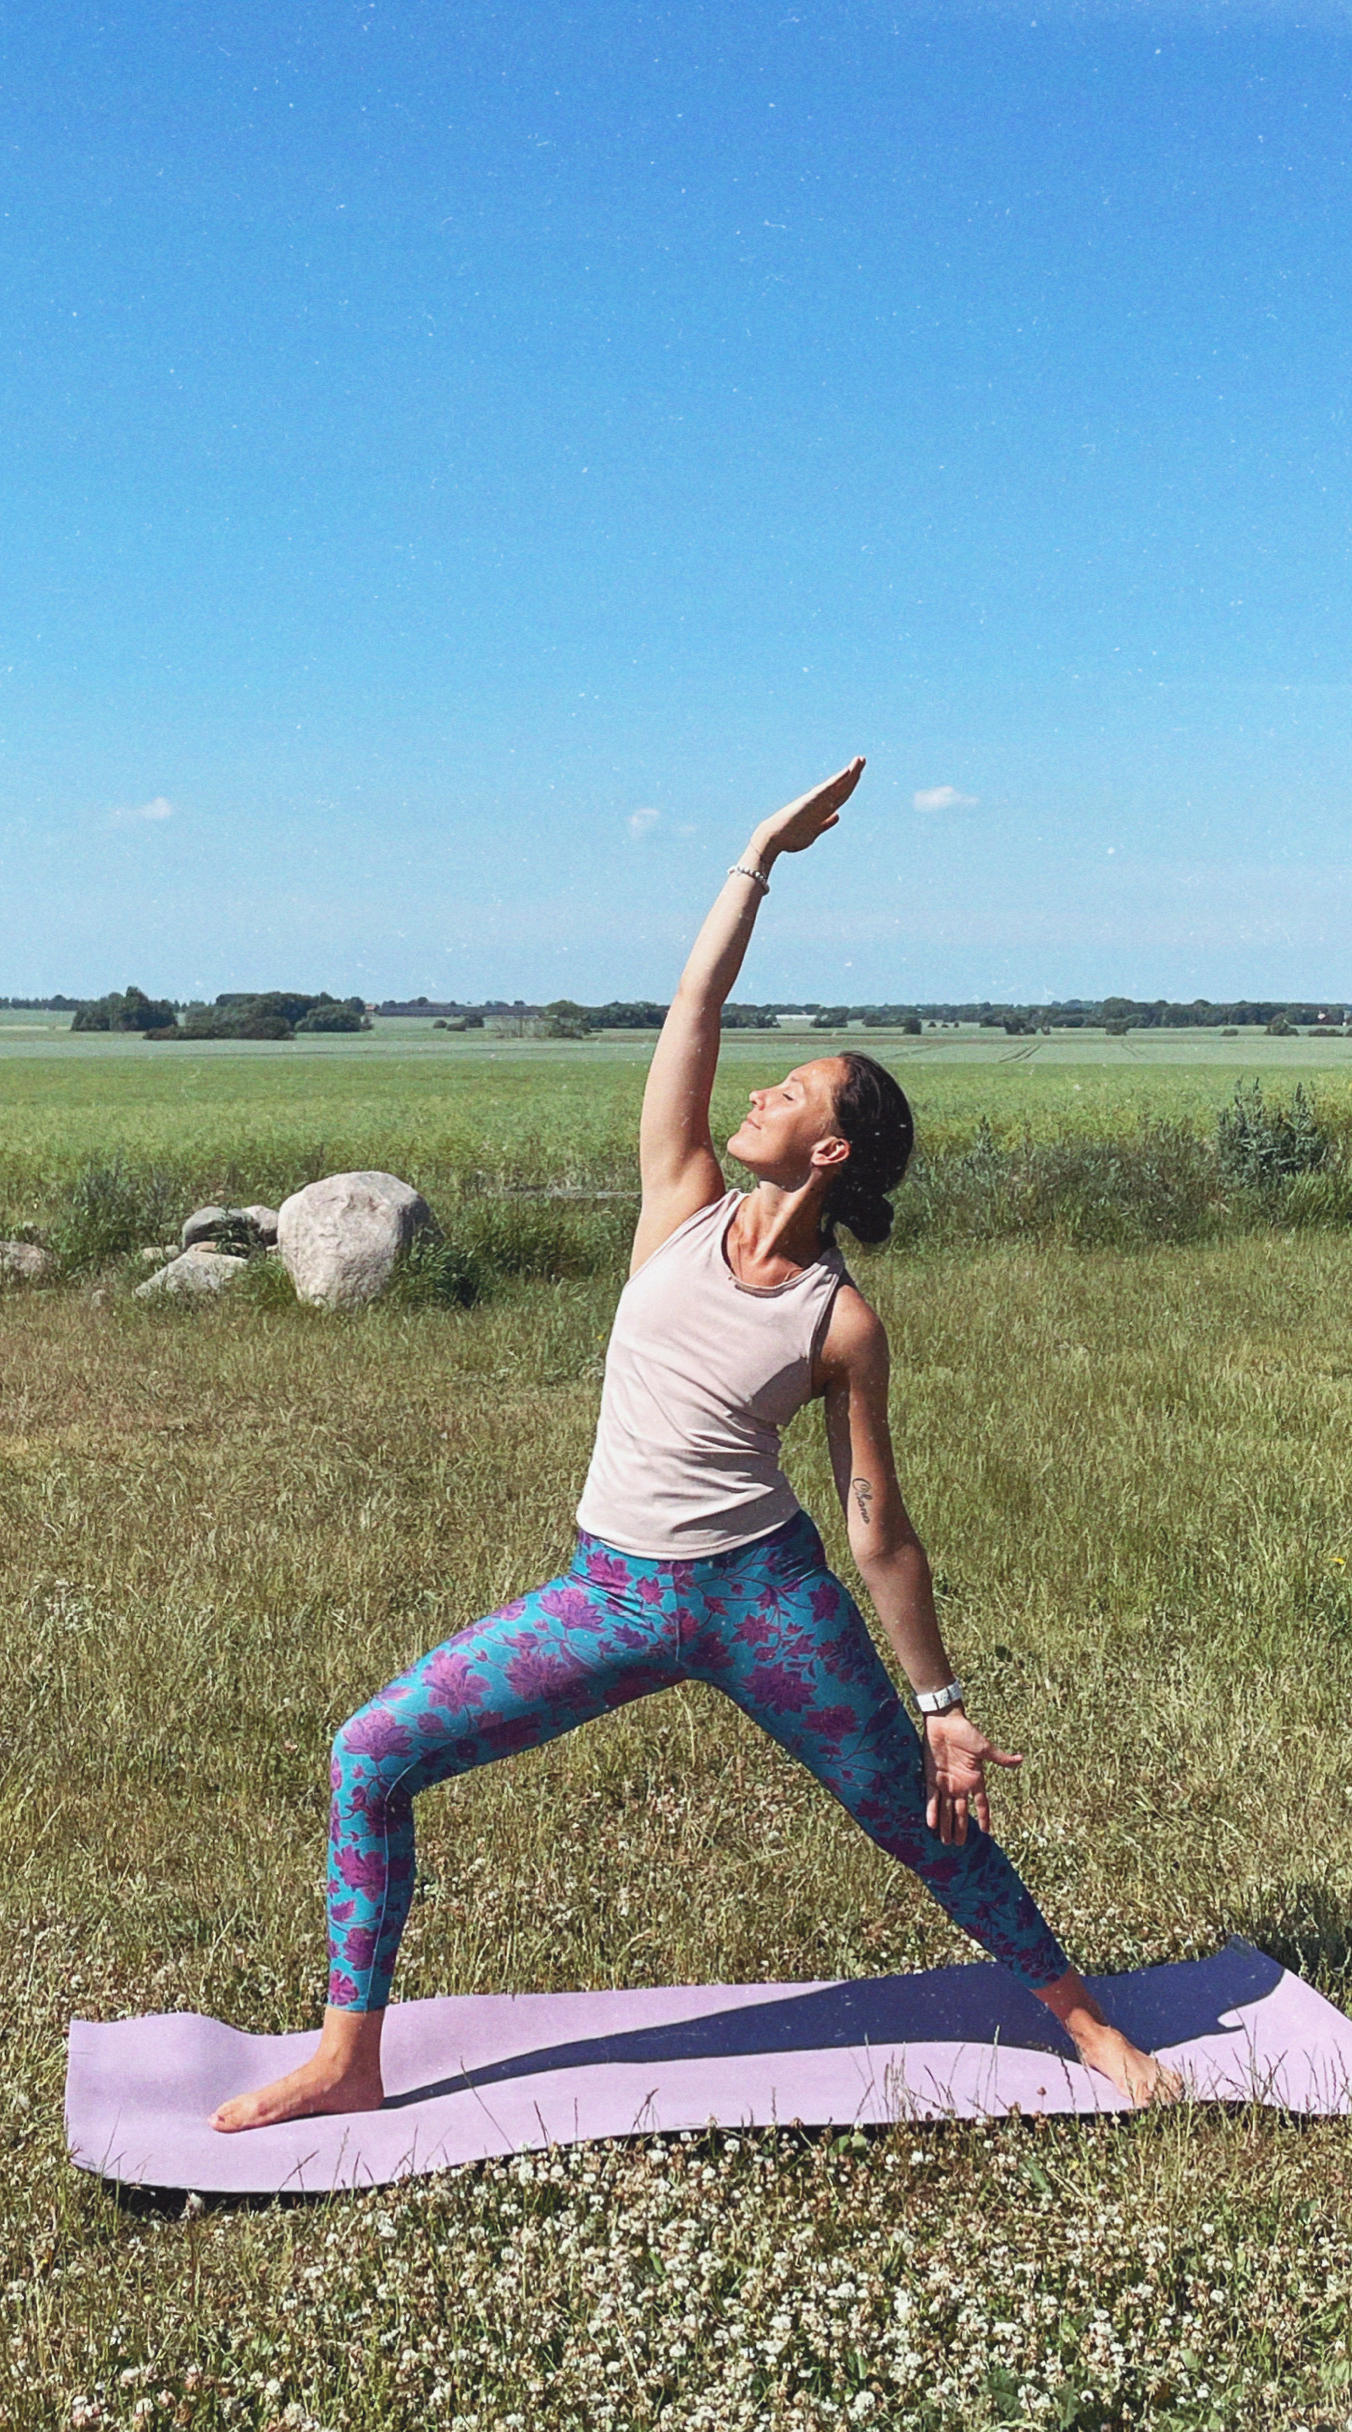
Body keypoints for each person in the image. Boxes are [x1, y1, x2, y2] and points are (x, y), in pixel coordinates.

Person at [213, 758, 1173, 2126]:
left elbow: (877, 1528)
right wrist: (756, 857)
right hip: (609, 1594)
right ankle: (346, 2056)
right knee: (370, 1752)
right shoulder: (680, 1200)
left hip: (765, 1602)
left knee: (917, 1818)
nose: (763, 1095)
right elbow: (695, 1008)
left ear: (831, 1153)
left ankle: (1085, 2024)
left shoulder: (842, 1321)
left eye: (796, 1094)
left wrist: (943, 1706)